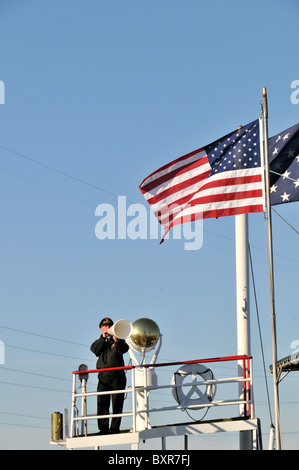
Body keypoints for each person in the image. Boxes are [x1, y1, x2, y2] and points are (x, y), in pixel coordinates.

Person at [90, 317, 129, 434]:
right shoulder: (99, 341)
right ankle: (103, 428)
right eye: (105, 326)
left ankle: (115, 428)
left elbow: (124, 349)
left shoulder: (119, 340)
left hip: (117, 376)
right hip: (103, 376)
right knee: (102, 403)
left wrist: (117, 341)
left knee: (117, 403)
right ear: (101, 329)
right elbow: (95, 350)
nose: (107, 328)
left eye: (109, 326)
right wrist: (103, 338)